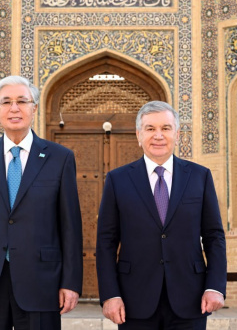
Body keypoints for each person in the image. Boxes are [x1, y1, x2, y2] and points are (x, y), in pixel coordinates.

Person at [0, 76, 83, 330]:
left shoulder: (60, 158)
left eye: (22, 101)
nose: (14, 108)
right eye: (6, 102)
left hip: (41, 282)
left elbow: (70, 226)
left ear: (34, 108)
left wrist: (71, 282)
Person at [96, 101, 227, 330]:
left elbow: (214, 236)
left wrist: (214, 286)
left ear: (177, 134)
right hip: (133, 299)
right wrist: (110, 294)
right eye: (150, 129)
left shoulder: (200, 177)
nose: (158, 135)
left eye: (166, 128)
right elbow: (106, 241)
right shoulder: (117, 180)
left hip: (191, 298)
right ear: (139, 135)